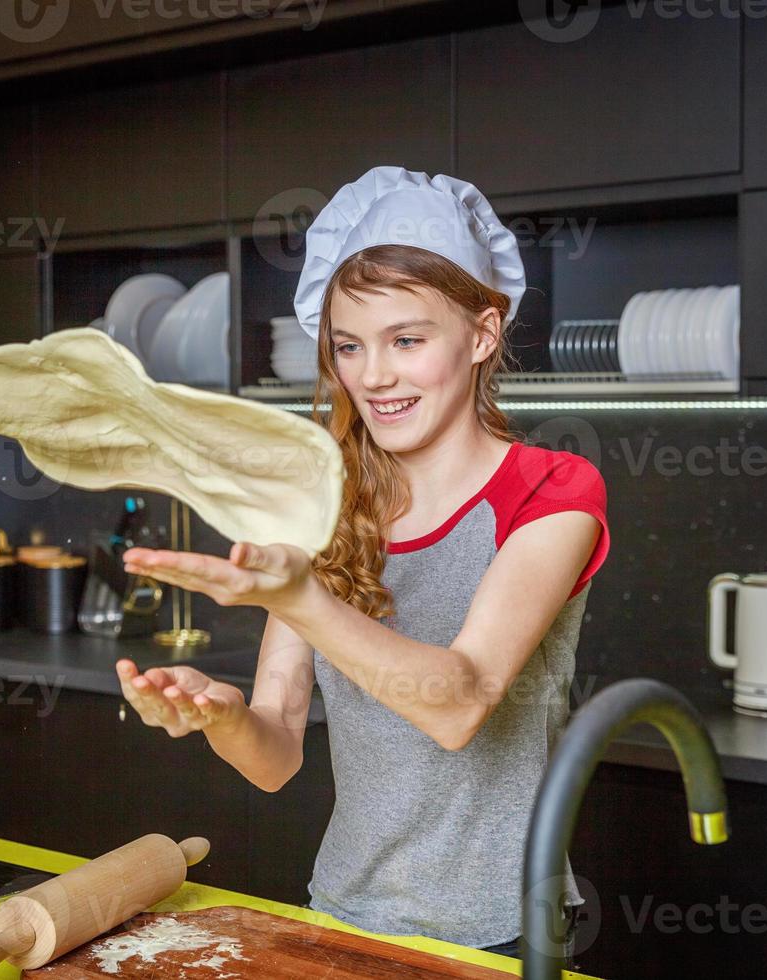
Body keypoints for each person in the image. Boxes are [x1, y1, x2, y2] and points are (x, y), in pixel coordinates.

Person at [115, 166, 608, 964]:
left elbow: (459, 702)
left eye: (406, 340)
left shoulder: (552, 491)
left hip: (506, 937)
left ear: (483, 334)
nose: (373, 376)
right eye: (349, 346)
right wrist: (223, 716)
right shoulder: (327, 507)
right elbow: (275, 757)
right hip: (342, 917)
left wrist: (302, 597)